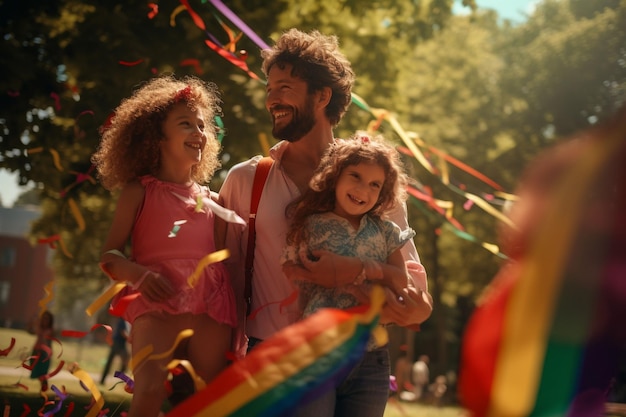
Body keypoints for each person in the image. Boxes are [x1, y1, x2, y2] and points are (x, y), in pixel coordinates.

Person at [219, 28, 433, 416]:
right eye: (269, 88)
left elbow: (412, 290)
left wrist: (407, 303)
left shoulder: (373, 182)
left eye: (284, 86)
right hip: (277, 359)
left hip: (362, 358)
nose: (271, 98)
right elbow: (223, 284)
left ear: (322, 96)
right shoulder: (245, 180)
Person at [91, 75, 238, 417]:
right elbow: (109, 255)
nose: (198, 133)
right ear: (157, 135)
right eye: (185, 124)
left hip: (210, 310)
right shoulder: (137, 191)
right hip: (156, 307)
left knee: (208, 399)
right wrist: (139, 276)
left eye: (202, 126)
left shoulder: (214, 201)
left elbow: (223, 262)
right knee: (149, 393)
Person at [278, 133, 415, 414]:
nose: (363, 190)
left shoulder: (386, 231)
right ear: (335, 175)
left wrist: (362, 270)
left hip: (371, 354)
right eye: (355, 176)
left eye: (374, 184)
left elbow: (402, 280)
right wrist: (314, 276)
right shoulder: (312, 225)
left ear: (384, 191)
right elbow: (290, 268)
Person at [29, 310, 54, 392]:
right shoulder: (39, 328)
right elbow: (30, 330)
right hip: (35, 351)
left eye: (46, 319)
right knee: (36, 371)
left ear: (50, 321)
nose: (44, 320)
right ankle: (43, 389)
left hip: (44, 354)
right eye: (43, 318)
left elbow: (49, 344)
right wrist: (33, 321)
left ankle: (43, 390)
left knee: (42, 374)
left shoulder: (50, 331)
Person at [100, 317, 130, 385]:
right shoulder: (123, 320)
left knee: (121, 360)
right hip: (118, 344)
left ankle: (119, 379)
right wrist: (129, 338)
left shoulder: (126, 321)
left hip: (119, 343)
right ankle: (121, 379)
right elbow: (122, 331)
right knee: (125, 359)